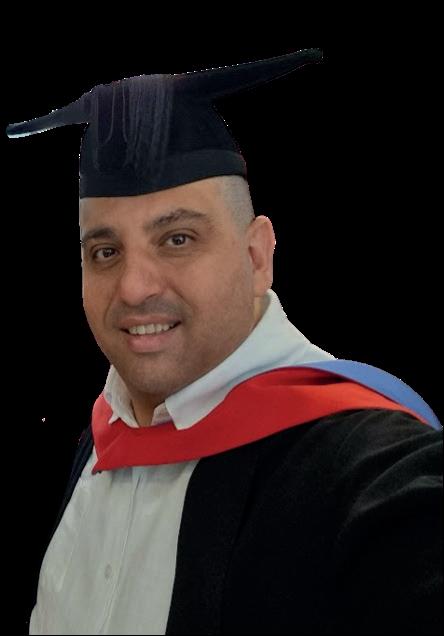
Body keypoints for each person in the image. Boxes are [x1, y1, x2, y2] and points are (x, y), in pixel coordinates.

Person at [7, 48, 442, 635]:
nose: (133, 287)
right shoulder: (101, 440)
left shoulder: (367, 466)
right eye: (105, 252)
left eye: (177, 239)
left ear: (257, 257)